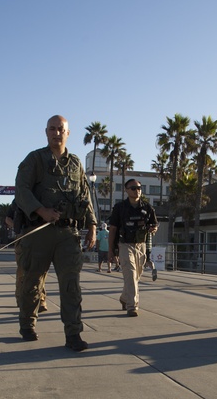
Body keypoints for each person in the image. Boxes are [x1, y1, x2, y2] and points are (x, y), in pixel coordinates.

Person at [14, 115, 97, 351]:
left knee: (71, 286)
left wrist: (91, 225)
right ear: (46, 132)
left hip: (68, 234)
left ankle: (73, 334)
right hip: (38, 233)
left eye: (61, 129)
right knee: (32, 282)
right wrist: (41, 210)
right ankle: (27, 324)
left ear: (68, 133)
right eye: (52, 129)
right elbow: (21, 190)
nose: (56, 133)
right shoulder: (35, 159)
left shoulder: (76, 164)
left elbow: (84, 195)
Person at [108, 179, 158, 317]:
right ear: (126, 190)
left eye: (139, 188)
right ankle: (132, 306)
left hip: (141, 245)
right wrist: (111, 250)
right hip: (125, 245)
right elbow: (112, 229)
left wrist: (153, 229)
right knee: (130, 274)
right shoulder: (120, 208)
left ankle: (125, 298)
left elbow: (154, 225)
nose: (137, 190)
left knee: (136, 277)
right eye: (133, 188)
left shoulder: (147, 207)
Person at [6, 199, 48, 313]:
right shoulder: (19, 199)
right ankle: (20, 298)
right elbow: (7, 218)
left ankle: (41, 299)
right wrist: (18, 228)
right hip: (23, 238)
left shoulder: (43, 196)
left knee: (41, 270)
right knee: (22, 270)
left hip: (40, 238)